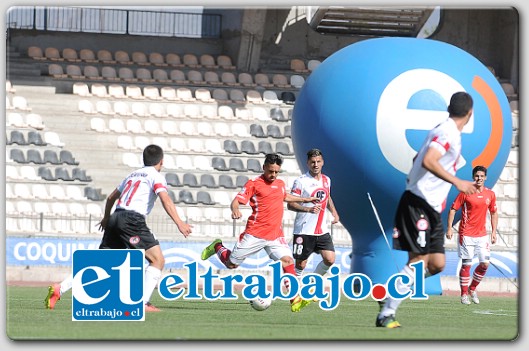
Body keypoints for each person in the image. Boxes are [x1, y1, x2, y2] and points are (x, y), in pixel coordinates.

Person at [45, 144, 192, 312]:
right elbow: (165, 199)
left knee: (100, 263)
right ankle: (142, 303)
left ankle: (60, 288)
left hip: (116, 216)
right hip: (132, 219)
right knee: (157, 260)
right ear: (161, 162)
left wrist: (107, 218)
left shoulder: (132, 175)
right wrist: (180, 223)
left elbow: (110, 198)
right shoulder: (155, 176)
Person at [376, 91, 478, 328]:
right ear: (470, 113)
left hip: (431, 207)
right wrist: (457, 182)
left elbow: (416, 159)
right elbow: (427, 160)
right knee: (419, 259)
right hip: (418, 203)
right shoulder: (447, 132)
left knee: (437, 264)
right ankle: (386, 314)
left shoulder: (444, 129)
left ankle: (389, 292)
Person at [200, 153, 319, 312]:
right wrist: (235, 210)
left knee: (288, 261)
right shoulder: (253, 184)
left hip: (275, 235)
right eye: (271, 171)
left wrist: (305, 200)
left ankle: (295, 299)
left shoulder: (280, 183)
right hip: (254, 234)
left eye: (276, 172)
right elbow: (236, 201)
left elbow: (284, 196)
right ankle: (217, 246)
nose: (273, 175)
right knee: (231, 264)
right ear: (264, 168)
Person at [446, 165, 498, 305]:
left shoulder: (490, 194)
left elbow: (493, 213)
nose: (479, 178)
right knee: (466, 265)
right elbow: (453, 209)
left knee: (485, 264)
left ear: (485, 177)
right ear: (473, 177)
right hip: (466, 234)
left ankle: (472, 288)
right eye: (477, 176)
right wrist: (449, 228)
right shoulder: (466, 192)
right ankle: (463, 295)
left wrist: (493, 232)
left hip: (482, 235)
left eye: (481, 176)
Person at [287, 148, 340, 280]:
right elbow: (290, 204)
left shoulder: (327, 180)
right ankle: (296, 290)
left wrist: (334, 212)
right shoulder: (301, 181)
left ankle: (312, 283)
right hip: (304, 230)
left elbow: (327, 197)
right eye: (312, 162)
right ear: (307, 163)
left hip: (321, 230)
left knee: (330, 259)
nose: (315, 164)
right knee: (301, 264)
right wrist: (307, 210)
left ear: (323, 162)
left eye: (318, 161)